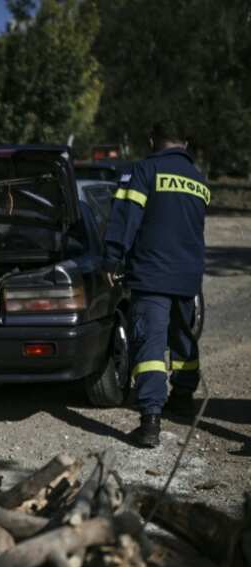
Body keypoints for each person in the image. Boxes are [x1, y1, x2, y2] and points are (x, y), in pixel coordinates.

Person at [101, 121, 208, 447]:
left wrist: (112, 258)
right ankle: (183, 398)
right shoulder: (198, 179)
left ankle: (150, 421)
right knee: (183, 339)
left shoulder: (145, 171)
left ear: (152, 140)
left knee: (149, 345)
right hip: (188, 276)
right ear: (185, 142)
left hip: (152, 274)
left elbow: (125, 218)